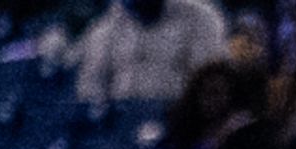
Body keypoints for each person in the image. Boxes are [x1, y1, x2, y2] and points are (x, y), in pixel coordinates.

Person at [78, 0, 231, 105]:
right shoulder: (104, 28)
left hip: (180, 124)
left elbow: (212, 85)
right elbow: (90, 89)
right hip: (119, 126)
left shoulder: (202, 18)